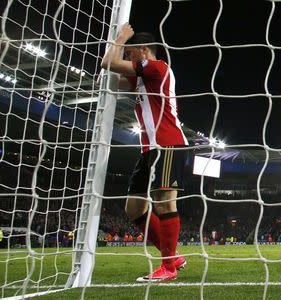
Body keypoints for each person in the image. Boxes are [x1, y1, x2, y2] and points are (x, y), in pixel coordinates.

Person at [101, 23, 188, 282]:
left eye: (130, 53)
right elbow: (113, 81)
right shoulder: (141, 78)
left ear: (143, 50)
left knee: (164, 202)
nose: (127, 57)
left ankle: (168, 268)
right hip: (148, 148)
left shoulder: (157, 67)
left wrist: (119, 39)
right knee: (134, 208)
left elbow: (109, 62)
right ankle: (172, 257)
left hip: (168, 143)